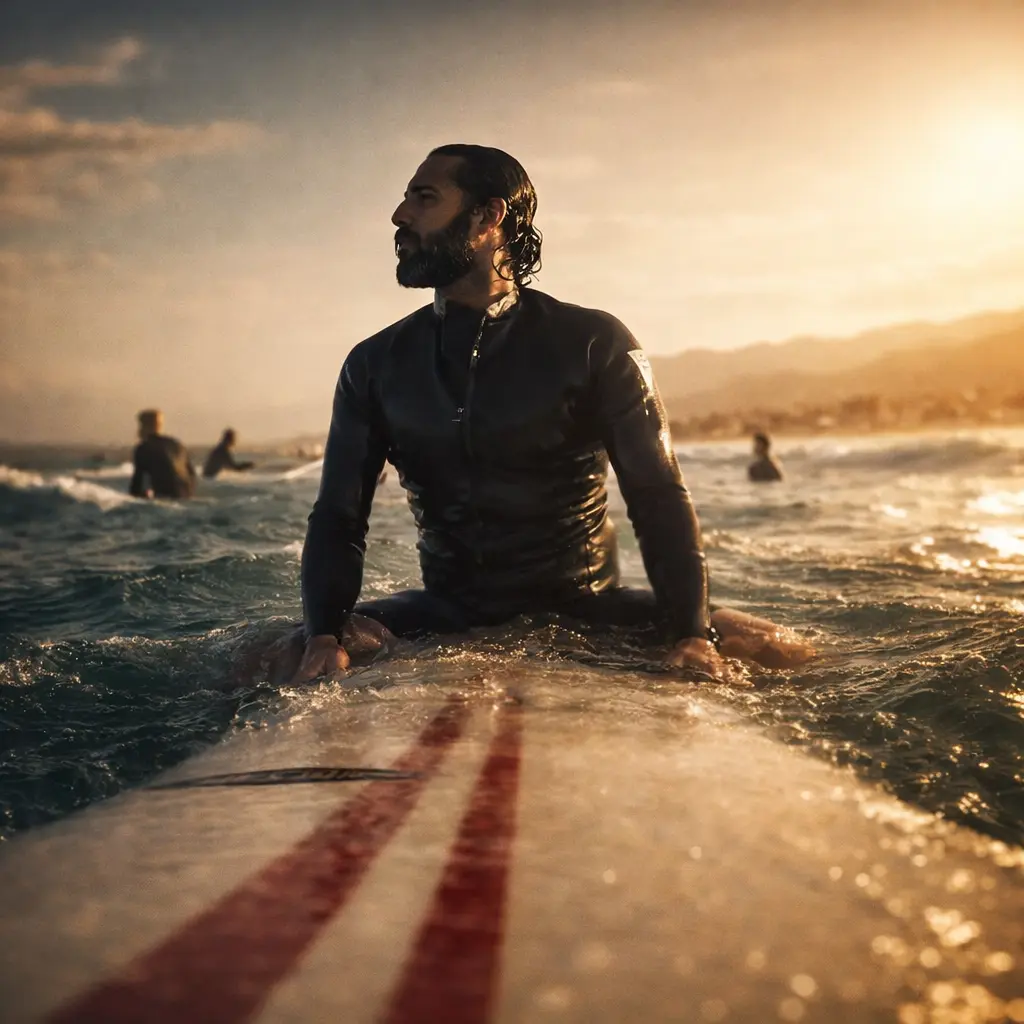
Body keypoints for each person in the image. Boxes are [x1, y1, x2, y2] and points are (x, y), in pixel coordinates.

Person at [287, 144, 812, 686]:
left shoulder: (593, 343)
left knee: (776, 649)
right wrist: (324, 636)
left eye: (424, 198)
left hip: (585, 612)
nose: (400, 216)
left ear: (488, 216)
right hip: (447, 613)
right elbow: (338, 517)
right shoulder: (374, 363)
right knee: (275, 651)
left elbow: (657, 495)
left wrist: (691, 634)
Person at [128, 409, 197, 499]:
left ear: (143, 426)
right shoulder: (177, 444)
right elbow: (192, 475)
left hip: (165, 497)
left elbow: (138, 482)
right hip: (186, 495)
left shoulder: (144, 448)